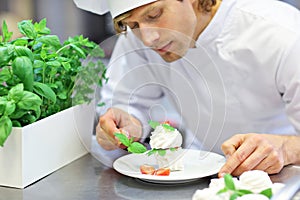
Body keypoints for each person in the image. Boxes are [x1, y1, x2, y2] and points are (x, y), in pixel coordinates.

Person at [74, 0, 300, 177]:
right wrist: (126, 127)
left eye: (154, 15)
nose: (148, 38)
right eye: (132, 25)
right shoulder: (140, 38)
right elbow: (129, 104)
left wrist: (286, 148)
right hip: (198, 170)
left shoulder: (281, 33)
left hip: (282, 174)